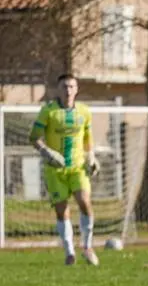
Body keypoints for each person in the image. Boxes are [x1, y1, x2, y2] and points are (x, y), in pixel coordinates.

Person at [30, 74, 100, 266]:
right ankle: (69, 252)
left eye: (71, 87)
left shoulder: (84, 112)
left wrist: (92, 156)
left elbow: (88, 138)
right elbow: (33, 137)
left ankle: (87, 247)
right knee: (62, 210)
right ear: (57, 90)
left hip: (77, 168)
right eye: (64, 87)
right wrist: (47, 152)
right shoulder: (48, 111)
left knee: (84, 201)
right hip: (55, 170)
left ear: (76, 89)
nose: (68, 90)